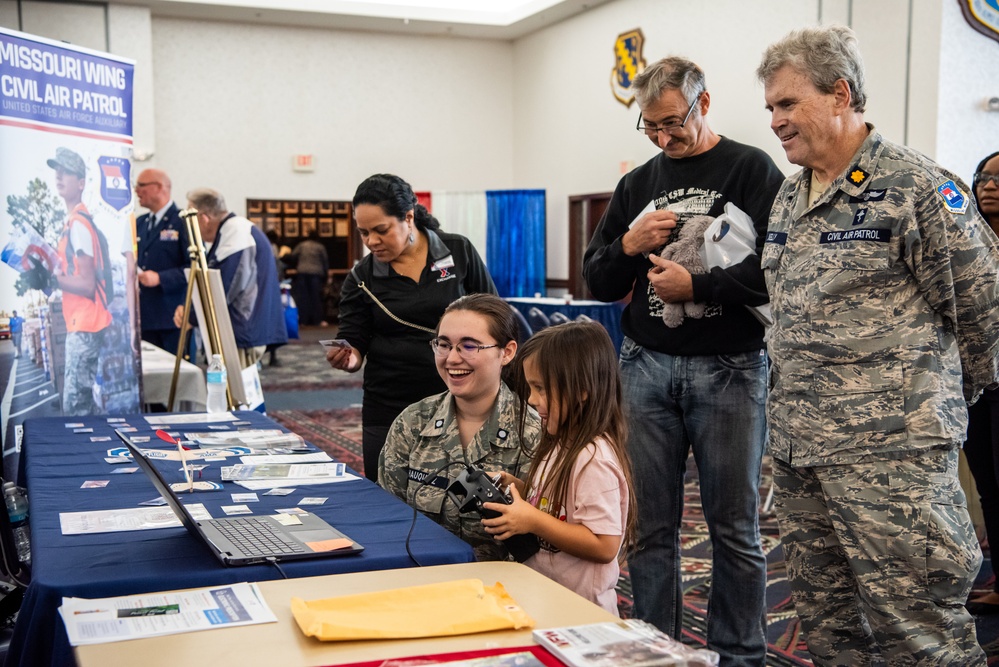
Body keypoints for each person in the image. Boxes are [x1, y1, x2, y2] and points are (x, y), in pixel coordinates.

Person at [757, 25, 999, 665]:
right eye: (771, 108)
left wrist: (940, 407)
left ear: (840, 93)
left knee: (922, 634)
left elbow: (987, 313)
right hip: (799, 450)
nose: (776, 121)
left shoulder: (919, 188)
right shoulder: (789, 195)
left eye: (787, 103)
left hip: (893, 458)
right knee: (830, 628)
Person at [582, 56, 783, 664]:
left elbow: (780, 269)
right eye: (651, 127)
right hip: (645, 365)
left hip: (730, 366)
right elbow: (597, 276)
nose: (665, 138)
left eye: (673, 123)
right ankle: (655, 649)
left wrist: (697, 289)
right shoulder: (638, 183)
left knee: (734, 528)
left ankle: (740, 654)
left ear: (704, 103)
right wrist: (627, 244)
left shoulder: (751, 168)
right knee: (650, 528)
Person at [328, 174, 497, 481]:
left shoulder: (456, 251)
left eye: (381, 230)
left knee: (461, 492)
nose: (371, 241)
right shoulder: (362, 277)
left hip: (458, 396)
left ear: (408, 217)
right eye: (364, 233)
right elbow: (354, 339)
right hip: (389, 400)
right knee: (386, 494)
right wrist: (348, 356)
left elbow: (494, 315)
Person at [482, 321, 635, 614]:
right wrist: (517, 488)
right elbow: (558, 507)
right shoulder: (559, 443)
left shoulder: (593, 459)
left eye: (540, 388)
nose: (531, 399)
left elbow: (604, 545)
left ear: (582, 390)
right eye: (530, 387)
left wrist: (532, 521)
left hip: (582, 612)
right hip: (548, 597)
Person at [378, 293, 539, 561]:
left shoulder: (532, 434)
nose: (451, 358)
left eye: (469, 346)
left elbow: (546, 541)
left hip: (503, 590)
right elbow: (387, 515)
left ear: (507, 352)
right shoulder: (413, 423)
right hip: (420, 577)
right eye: (443, 345)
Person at [173, 188, 287, 369]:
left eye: (190, 219)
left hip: (240, 331)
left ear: (203, 218)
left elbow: (223, 287)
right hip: (242, 329)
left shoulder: (236, 234)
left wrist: (191, 317)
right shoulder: (235, 231)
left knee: (236, 394)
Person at [38, 147, 113, 415]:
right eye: (57, 171)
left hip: (85, 324)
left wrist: (54, 279)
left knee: (75, 405)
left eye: (66, 172)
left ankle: (92, 453)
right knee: (81, 400)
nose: (59, 176)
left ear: (80, 183)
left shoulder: (79, 224)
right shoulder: (75, 222)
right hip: (83, 322)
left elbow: (87, 284)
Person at [963, 150, 999, 617]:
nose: (989, 185)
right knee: (988, 486)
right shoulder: (965, 240)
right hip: (976, 382)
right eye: (984, 177)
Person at [134, 169, 191, 358]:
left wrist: (161, 278)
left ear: (159, 187)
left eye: (141, 185)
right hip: (143, 316)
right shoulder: (140, 223)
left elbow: (195, 268)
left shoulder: (183, 221)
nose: (136, 190)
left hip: (170, 318)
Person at [289, 231, 329, 326]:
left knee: (303, 297)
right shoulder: (320, 247)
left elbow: (293, 256)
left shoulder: (302, 245)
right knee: (316, 297)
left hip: (302, 272)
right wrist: (326, 274)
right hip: (316, 272)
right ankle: (317, 320)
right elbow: (325, 261)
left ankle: (302, 320)